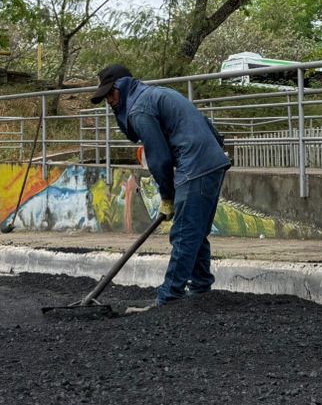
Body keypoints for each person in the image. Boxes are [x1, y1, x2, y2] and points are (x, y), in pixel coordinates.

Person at [88, 63, 231, 310]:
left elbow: (159, 158)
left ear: (122, 87)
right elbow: (205, 123)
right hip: (211, 160)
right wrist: (214, 153)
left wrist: (167, 195)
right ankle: (200, 288)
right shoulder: (156, 94)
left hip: (196, 163)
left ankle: (170, 296)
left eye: (111, 94)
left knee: (184, 233)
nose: (109, 101)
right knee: (194, 230)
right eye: (106, 97)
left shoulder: (139, 110)